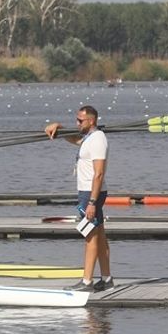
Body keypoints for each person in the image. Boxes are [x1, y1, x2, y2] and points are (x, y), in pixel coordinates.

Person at [46, 105, 113, 292]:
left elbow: (99, 173)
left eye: (80, 120)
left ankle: (87, 282)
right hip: (89, 192)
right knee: (99, 236)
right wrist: (58, 127)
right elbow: (76, 140)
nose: (77, 123)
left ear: (91, 121)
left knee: (89, 236)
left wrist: (92, 202)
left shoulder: (98, 139)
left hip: (91, 193)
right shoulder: (89, 138)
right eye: (76, 119)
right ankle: (107, 279)